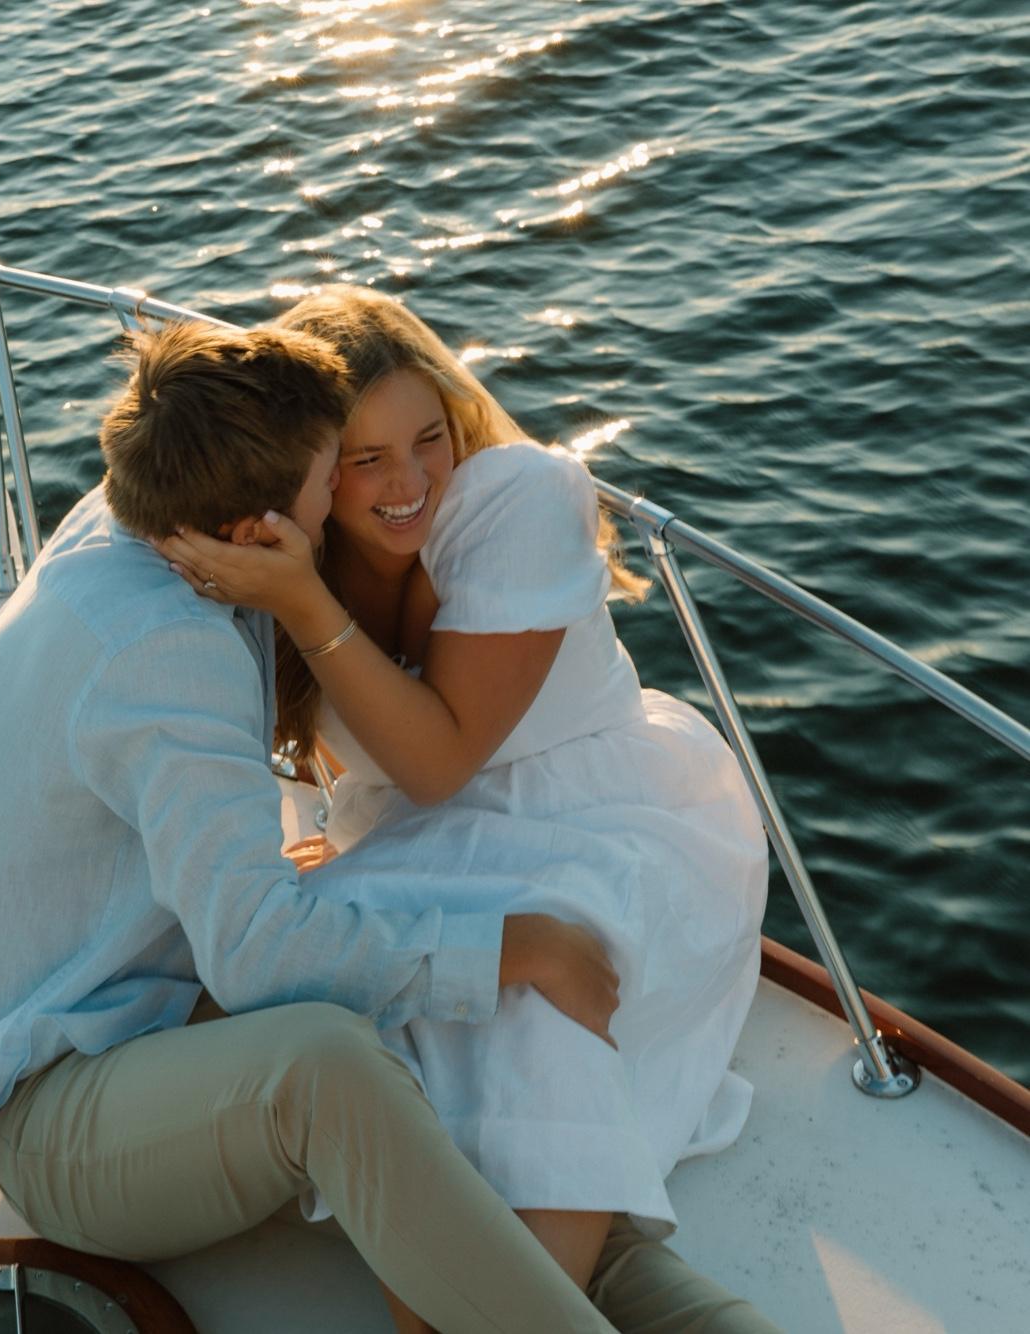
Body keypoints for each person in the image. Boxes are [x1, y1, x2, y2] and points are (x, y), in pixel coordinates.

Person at [0, 317, 688, 1334]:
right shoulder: (168, 646)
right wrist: (521, 947)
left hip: (157, 1015)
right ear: (258, 530)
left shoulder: (139, 523)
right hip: (66, 1111)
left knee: (494, 1146)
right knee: (333, 1066)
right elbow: (255, 957)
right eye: (333, 473)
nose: (347, 494)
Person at [158, 286, 772, 1331]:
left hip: (612, 820)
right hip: (431, 839)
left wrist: (300, 602)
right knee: (340, 1030)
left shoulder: (516, 496)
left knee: (536, 1012)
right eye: (365, 459)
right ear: (314, 467)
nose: (409, 483)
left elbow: (438, 761)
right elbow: (388, 785)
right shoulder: (305, 545)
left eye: (428, 439)